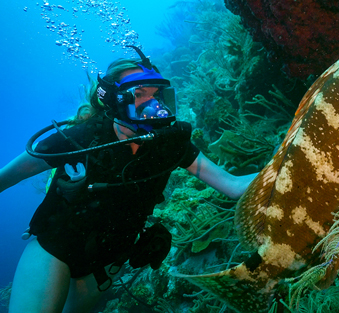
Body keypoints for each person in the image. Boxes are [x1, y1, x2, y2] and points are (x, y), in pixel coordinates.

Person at [0, 47, 257, 313]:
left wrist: (290, 156)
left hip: (106, 261)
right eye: (139, 94)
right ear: (113, 100)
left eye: (156, 94)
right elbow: (9, 176)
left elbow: (234, 187)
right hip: (54, 248)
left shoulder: (170, 144)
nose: (153, 105)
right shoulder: (81, 138)